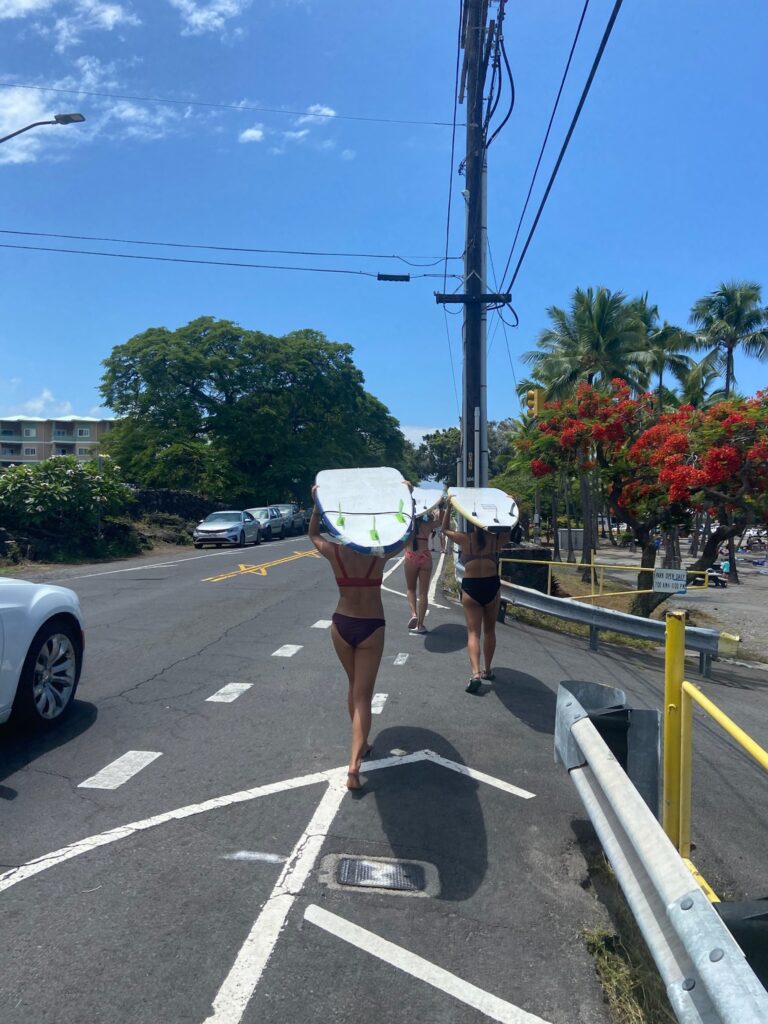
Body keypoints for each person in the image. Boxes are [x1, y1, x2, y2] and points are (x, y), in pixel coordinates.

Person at [309, 488, 408, 790]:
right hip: (371, 626)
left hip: (341, 625)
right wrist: (408, 500)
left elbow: (312, 534)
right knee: (363, 695)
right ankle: (354, 764)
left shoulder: (335, 552)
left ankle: (361, 745)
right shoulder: (378, 554)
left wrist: (317, 504)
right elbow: (405, 535)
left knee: (353, 688)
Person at [441, 496, 509, 693]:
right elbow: (510, 529)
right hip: (491, 586)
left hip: (471, 588)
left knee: (473, 633)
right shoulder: (495, 540)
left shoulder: (465, 538)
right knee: (489, 631)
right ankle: (488, 670)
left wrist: (449, 506)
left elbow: (444, 529)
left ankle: (475, 673)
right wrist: (511, 507)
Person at [405, 506, 440, 633]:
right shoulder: (428, 523)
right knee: (423, 593)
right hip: (425, 555)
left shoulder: (408, 523)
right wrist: (444, 507)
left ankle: (414, 614)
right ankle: (420, 625)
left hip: (410, 555)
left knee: (410, 588)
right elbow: (441, 522)